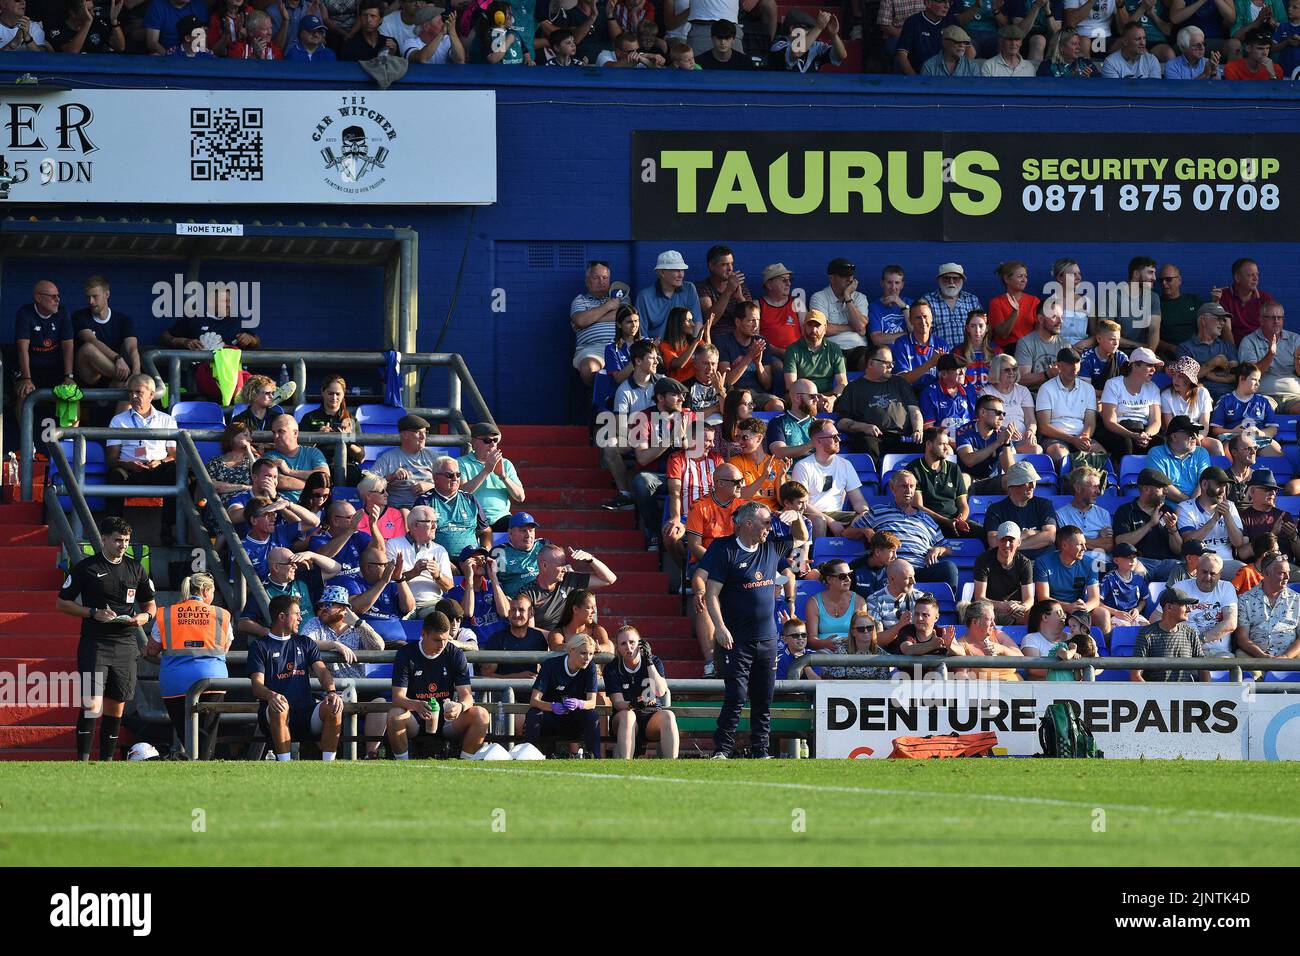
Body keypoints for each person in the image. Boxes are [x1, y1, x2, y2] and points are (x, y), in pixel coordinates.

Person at [698, 502, 795, 759]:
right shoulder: (724, 549)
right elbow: (712, 592)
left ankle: (760, 751)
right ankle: (722, 750)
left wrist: (795, 517)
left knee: (764, 698)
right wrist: (719, 627)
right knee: (737, 696)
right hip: (736, 639)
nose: (770, 528)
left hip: (767, 639)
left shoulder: (771, 546)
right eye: (765, 523)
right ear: (748, 524)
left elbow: (803, 539)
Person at [55, 517, 156, 762]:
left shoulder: (136, 568)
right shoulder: (86, 567)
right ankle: (83, 760)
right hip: (96, 642)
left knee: (116, 705)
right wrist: (93, 612)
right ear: (104, 540)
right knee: (92, 703)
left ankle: (107, 763)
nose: (123, 545)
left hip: (125, 642)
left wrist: (143, 618)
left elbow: (150, 604)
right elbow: (62, 603)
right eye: (118, 540)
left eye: (127, 541)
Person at [141, 572, 231, 759]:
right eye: (213, 592)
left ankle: (195, 763)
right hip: (213, 680)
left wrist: (146, 652)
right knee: (207, 733)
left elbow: (152, 649)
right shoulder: (221, 615)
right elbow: (224, 648)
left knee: (187, 734)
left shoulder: (166, 614)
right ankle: (203, 765)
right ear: (206, 591)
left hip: (175, 682)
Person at [247, 595, 345, 759]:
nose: (301, 618)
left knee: (333, 705)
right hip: (274, 714)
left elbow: (321, 671)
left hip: (306, 713)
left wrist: (332, 692)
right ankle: (285, 765)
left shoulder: (305, 642)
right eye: (297, 614)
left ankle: (329, 765)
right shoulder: (260, 646)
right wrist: (272, 696)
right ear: (282, 617)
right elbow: (257, 686)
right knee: (280, 706)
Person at [387, 610, 490, 760]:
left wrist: (459, 707)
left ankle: (465, 763)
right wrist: (416, 705)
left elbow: (467, 696)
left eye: (446, 639)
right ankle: (403, 764)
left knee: (481, 714)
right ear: (423, 634)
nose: (442, 645)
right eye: (437, 640)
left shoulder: (455, 653)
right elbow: (397, 698)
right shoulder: (406, 654)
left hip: (447, 718)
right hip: (415, 717)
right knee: (395, 715)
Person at [852, 469, 960, 593]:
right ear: (892, 488)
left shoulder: (927, 519)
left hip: (919, 570)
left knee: (948, 568)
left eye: (911, 486)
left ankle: (945, 609)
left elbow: (947, 548)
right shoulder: (878, 512)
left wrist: (938, 549)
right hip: (891, 570)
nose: (908, 491)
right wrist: (866, 530)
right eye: (904, 486)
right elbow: (848, 532)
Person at [104, 374, 179, 518]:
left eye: (138, 392)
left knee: (175, 474)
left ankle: (169, 530)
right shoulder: (118, 420)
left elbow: (174, 454)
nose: (133, 396)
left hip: (158, 469)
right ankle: (114, 530)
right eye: (130, 392)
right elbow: (111, 459)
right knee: (115, 476)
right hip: (130, 471)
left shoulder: (167, 420)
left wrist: (161, 462)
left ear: (151, 395)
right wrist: (127, 464)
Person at [834, 344, 923, 461]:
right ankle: (874, 478)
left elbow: (914, 411)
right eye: (886, 363)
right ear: (871, 363)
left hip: (903, 437)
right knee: (866, 443)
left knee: (930, 441)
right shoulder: (853, 388)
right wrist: (864, 427)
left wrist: (918, 430)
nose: (891, 366)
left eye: (892, 363)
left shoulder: (900, 383)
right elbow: (842, 422)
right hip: (874, 438)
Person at [604, 625, 678, 759]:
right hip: (624, 717)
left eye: (632, 642)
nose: (628, 647)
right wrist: (633, 704)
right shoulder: (612, 668)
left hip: (650, 717)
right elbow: (618, 703)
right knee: (628, 716)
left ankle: (671, 765)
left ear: (640, 643)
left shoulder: (654, 661)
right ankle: (626, 765)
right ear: (618, 648)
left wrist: (649, 661)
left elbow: (660, 691)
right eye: (623, 644)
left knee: (668, 715)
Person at [524, 632, 601, 757]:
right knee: (534, 713)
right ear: (570, 651)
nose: (587, 658)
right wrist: (552, 706)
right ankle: (526, 754)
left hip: (574, 721)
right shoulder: (551, 665)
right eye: (583, 653)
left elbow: (592, 703)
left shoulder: (590, 667)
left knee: (592, 715)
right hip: (551, 720)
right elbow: (534, 700)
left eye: (591, 654)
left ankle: (595, 756)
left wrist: (579, 704)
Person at [514, 543, 616, 632]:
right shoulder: (527, 593)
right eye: (561, 565)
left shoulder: (569, 579)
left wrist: (590, 559)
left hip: (576, 640)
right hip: (547, 645)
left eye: (565, 564)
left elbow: (609, 579)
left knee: (608, 643)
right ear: (544, 566)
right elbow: (530, 630)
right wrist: (559, 638)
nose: (564, 569)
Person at [790, 419, 869, 536]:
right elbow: (802, 504)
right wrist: (830, 521)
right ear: (818, 441)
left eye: (838, 436)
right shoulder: (803, 466)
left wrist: (864, 514)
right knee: (819, 521)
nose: (839, 440)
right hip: (812, 514)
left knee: (868, 519)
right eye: (834, 437)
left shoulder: (845, 464)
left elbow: (858, 501)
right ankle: (814, 554)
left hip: (838, 514)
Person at [907, 427, 981, 539]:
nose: (947, 448)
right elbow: (918, 506)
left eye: (947, 444)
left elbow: (963, 504)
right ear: (929, 445)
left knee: (984, 532)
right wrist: (947, 522)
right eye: (942, 444)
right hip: (928, 523)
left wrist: (960, 521)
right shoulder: (914, 469)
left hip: (954, 522)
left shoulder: (954, 468)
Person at [1034, 525, 1109, 635]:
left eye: (1085, 544)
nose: (1085, 548)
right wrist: (1067, 607)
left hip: (1079, 610)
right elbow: (1043, 598)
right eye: (1080, 544)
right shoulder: (1043, 562)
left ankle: (1102, 650)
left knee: (1103, 614)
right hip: (1053, 608)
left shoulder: (1090, 563)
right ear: (1064, 545)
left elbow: (1095, 599)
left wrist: (1084, 608)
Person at [1113, 467, 1184, 582]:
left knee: (1182, 570)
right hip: (1139, 561)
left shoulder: (1168, 510)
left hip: (1166, 563)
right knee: (1134, 571)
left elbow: (1179, 550)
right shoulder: (1126, 511)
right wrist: (1150, 524)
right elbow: (1120, 543)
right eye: (1161, 488)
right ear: (1146, 489)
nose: (1166, 491)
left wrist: (1173, 529)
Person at [1034, 348, 1099, 471]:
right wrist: (1073, 440)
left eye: (1077, 363)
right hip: (1055, 437)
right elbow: (1044, 426)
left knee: (1099, 455)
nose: (1074, 367)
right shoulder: (1046, 389)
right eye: (1069, 364)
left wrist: (1084, 436)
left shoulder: (1088, 389)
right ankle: (1067, 488)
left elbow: (1090, 421)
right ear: (1058, 365)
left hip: (1080, 436)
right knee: (1060, 457)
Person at [13, 279, 75, 407]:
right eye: (52, 296)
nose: (57, 299)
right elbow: (22, 348)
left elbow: (68, 346)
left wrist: (68, 376)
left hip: (55, 368)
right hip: (31, 369)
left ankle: (71, 428)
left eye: (58, 296)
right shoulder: (25, 313)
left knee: (72, 394)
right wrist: (26, 379)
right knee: (24, 392)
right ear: (38, 298)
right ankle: (24, 428)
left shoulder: (63, 313)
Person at [1235, 551, 1300, 670]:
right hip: (1255, 657)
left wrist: (1286, 657)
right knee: (1241, 660)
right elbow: (1242, 638)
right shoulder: (1245, 600)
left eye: (1288, 573)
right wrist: (1263, 657)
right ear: (1266, 573)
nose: (1287, 577)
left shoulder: (1297, 600)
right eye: (1281, 573)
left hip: (1291, 657)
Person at [1176, 465, 1245, 575]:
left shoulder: (1230, 506)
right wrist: (1214, 519)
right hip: (1199, 565)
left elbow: (1238, 542)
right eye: (1218, 485)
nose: (1223, 490)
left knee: (1246, 572)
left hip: (1226, 563)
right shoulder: (1185, 508)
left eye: (1224, 486)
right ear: (1204, 484)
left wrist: (1227, 516)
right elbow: (1189, 541)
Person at [1098, 346, 1165, 460]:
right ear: (1135, 365)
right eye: (1149, 365)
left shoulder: (1153, 388)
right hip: (1119, 430)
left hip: (1142, 431)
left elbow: (1156, 421)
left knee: (1160, 443)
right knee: (1125, 443)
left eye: (1154, 366)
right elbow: (1109, 422)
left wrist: (1146, 435)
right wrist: (1132, 435)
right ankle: (1124, 476)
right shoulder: (1113, 384)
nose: (1153, 370)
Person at [387, 504, 455, 616]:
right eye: (430, 522)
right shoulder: (394, 545)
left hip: (433, 604)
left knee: (446, 614)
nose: (435, 526)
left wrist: (438, 576)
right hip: (402, 603)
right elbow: (389, 580)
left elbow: (450, 588)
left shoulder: (439, 550)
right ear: (414, 525)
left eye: (435, 522)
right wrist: (413, 573)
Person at [72, 276, 137, 390]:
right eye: (88, 297)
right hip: (88, 375)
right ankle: (130, 379)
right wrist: (118, 358)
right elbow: (92, 341)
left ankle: (133, 379)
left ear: (106, 294)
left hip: (112, 377)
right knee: (88, 348)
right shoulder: (79, 317)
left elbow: (132, 348)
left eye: (95, 296)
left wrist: (136, 372)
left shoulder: (123, 320)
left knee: (127, 390)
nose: (91, 302)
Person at [716, 302, 782, 412]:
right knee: (742, 408)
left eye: (758, 320)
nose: (756, 325)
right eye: (751, 321)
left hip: (758, 393)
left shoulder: (761, 342)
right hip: (735, 394)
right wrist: (748, 358)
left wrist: (758, 364)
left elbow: (767, 385)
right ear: (738, 322)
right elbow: (726, 382)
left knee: (777, 406)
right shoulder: (724, 342)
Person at [984, 460, 1057, 559]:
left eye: (1034, 481)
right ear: (1013, 485)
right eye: (1027, 482)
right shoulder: (995, 510)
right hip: (1012, 565)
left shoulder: (1044, 505)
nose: (1032, 486)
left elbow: (1050, 537)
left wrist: (1010, 545)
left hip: (1042, 563)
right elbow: (994, 543)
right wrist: (1028, 534)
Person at [806, 558, 868, 676]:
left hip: (852, 652)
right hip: (824, 653)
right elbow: (811, 640)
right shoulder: (814, 602)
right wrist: (825, 643)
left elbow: (863, 635)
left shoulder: (859, 602)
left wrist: (844, 644)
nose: (848, 579)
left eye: (849, 575)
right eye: (842, 576)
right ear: (829, 579)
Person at [808, 257, 871, 372]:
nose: (849, 279)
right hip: (831, 348)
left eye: (851, 275)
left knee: (871, 362)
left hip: (859, 347)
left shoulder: (860, 297)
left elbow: (861, 327)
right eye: (844, 276)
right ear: (832, 278)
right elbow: (822, 330)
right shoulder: (819, 297)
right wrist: (852, 327)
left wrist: (848, 297)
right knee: (840, 362)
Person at [299, 374, 364, 485]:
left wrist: (347, 440)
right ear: (322, 392)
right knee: (319, 478)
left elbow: (361, 458)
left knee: (354, 475)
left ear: (343, 394)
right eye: (330, 393)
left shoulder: (351, 420)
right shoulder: (309, 418)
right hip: (318, 465)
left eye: (338, 394)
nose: (334, 398)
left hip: (347, 467)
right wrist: (318, 437)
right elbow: (300, 451)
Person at [1131, 588, 1207, 682]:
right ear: (1169, 607)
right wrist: (1152, 694)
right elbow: (1135, 675)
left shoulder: (1191, 633)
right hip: (1157, 695)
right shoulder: (1146, 634)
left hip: (1186, 695)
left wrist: (1206, 693)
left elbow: (1203, 667)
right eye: (1184, 605)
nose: (1189, 609)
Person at [1172, 551, 1238, 655]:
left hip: (1219, 653)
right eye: (1204, 572)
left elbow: (1230, 623)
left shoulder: (1226, 588)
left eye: (1212, 574)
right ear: (1197, 569)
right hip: (1186, 651)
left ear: (1220, 574)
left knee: (1231, 668)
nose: (1207, 577)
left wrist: (1200, 640)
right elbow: (1158, 617)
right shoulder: (1180, 588)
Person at [1210, 362, 1281, 456]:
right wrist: (1233, 431)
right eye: (1254, 379)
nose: (1258, 384)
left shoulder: (1263, 401)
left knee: (1276, 451)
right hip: (1233, 439)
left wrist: (1259, 433)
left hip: (1258, 439)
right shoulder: (1225, 400)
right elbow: (1215, 430)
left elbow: (1273, 429)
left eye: (1259, 380)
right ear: (1241, 379)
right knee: (1228, 451)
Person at [374, 414, 441, 512]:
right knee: (404, 512)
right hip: (397, 511)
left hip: (430, 509)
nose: (423, 437)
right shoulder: (388, 458)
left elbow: (453, 482)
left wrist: (431, 486)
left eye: (425, 432)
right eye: (418, 433)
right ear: (405, 435)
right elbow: (368, 485)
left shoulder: (434, 457)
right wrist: (391, 477)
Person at [971, 521, 1034, 625]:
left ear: (1019, 542)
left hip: (1013, 610)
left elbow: (1029, 599)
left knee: (1030, 614)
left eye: (1011, 540)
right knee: (981, 613)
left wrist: (1022, 607)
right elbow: (979, 598)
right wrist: (1002, 606)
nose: (1007, 544)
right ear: (997, 540)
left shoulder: (1024, 563)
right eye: (1003, 540)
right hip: (988, 607)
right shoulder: (983, 560)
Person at [1160, 356, 1223, 457]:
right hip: (1175, 437)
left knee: (1216, 445)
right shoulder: (1166, 395)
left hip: (1198, 436)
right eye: (1174, 375)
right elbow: (1169, 428)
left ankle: (1218, 472)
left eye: (1180, 376)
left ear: (1190, 380)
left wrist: (1199, 437)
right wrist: (1187, 438)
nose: (1175, 380)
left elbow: (1204, 425)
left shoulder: (1203, 393)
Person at [955, 393, 1018, 494]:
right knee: (963, 478)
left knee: (1012, 480)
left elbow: (1010, 470)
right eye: (998, 413)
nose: (1002, 418)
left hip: (992, 481)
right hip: (969, 479)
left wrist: (1006, 443)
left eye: (1003, 414)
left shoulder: (1002, 434)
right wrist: (997, 443)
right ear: (983, 412)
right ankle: (964, 510)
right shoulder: (964, 431)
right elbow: (969, 460)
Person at [1237, 301, 1300, 400]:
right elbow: (1249, 375)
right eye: (1272, 318)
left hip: (1293, 395)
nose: (1276, 321)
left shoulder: (1295, 340)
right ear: (1261, 320)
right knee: (1263, 412)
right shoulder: (1249, 341)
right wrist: (1270, 355)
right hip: (1264, 396)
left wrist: (1297, 360)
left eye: (1279, 318)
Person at [424, 461, 489, 554]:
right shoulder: (425, 501)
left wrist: (485, 550)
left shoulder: (470, 500)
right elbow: (420, 537)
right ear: (436, 478)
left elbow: (485, 531)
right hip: (440, 561)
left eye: (458, 474)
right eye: (449, 475)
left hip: (472, 560)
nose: (455, 478)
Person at [636, 249, 702, 342]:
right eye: (676, 270)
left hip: (685, 350)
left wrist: (694, 347)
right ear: (662, 272)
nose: (681, 275)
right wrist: (652, 351)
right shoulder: (644, 297)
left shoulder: (689, 289)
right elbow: (641, 333)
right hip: (655, 351)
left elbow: (697, 322)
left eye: (682, 270)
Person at [782, 310, 846, 406]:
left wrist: (832, 399)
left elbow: (842, 382)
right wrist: (813, 400)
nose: (814, 329)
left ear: (825, 328)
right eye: (810, 325)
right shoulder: (792, 349)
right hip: (801, 397)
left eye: (817, 326)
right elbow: (791, 385)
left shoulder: (834, 349)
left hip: (827, 396)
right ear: (803, 327)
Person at [981, 353, 1040, 453]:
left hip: (1022, 440)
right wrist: (1005, 432)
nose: (1012, 373)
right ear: (997, 372)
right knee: (1008, 451)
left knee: (1036, 449)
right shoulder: (986, 393)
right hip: (997, 440)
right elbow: (984, 423)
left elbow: (1030, 419)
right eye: (1007, 370)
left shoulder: (1023, 391)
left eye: (1014, 369)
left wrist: (1030, 431)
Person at [1177, 302, 1237, 401]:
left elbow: (1236, 376)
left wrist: (1205, 373)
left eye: (1223, 320)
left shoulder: (1227, 346)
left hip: (1230, 398)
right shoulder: (1185, 348)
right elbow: (1185, 379)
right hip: (1201, 400)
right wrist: (1213, 363)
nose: (1222, 323)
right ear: (1204, 320)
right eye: (1218, 318)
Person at [1147, 415, 1212, 505]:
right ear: (1174, 436)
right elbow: (1162, 486)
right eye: (1190, 433)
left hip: (1197, 508)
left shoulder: (1201, 452)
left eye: (1196, 432)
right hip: (1167, 511)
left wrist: (1193, 507)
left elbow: (1204, 482)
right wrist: (1189, 504)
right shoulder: (1156, 453)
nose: (1195, 437)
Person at [952, 600, 1024, 680]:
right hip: (987, 690)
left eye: (994, 619)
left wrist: (1002, 649)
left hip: (1017, 687)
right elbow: (962, 678)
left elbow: (1022, 660)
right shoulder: (962, 646)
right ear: (975, 622)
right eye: (990, 620)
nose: (994, 624)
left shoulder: (998, 635)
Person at [1055, 465, 1114, 562]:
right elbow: (1064, 546)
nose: (1098, 491)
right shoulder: (1061, 515)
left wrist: (1075, 541)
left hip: (1101, 564)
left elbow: (1108, 545)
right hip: (1074, 564)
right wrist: (1098, 540)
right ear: (1078, 488)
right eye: (1094, 487)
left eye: (1098, 487)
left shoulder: (1103, 514)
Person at [265, 414, 328, 504]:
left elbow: (324, 475)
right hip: (283, 508)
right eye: (274, 432)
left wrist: (289, 472)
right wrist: (314, 484)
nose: (275, 436)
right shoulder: (270, 457)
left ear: (295, 433)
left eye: (281, 432)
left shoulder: (313, 452)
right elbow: (281, 481)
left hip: (313, 506)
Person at [865, 558, 920, 652]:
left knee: (919, 665)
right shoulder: (874, 600)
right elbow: (877, 640)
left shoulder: (919, 598)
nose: (913, 582)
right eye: (907, 578)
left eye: (913, 576)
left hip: (915, 656)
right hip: (887, 658)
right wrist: (900, 625)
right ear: (892, 579)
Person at [1216, 257, 1274, 344]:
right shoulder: (1224, 296)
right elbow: (1226, 329)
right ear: (1237, 278)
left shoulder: (1265, 299)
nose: (1255, 278)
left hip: (1259, 347)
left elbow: (1271, 328)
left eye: (1257, 274)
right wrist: (1233, 352)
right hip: (1233, 347)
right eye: (1250, 275)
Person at [893, 301, 950, 387]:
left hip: (934, 395)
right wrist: (930, 364)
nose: (923, 321)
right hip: (909, 394)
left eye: (925, 317)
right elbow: (902, 380)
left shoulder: (941, 344)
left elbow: (948, 380)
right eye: (918, 318)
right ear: (910, 321)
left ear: (932, 319)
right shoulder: (901, 344)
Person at [1020, 599, 1079, 680]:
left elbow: (1097, 665)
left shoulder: (1074, 638)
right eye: (1059, 613)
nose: (1064, 616)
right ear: (1044, 617)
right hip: (1044, 689)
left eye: (1064, 613)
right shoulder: (1031, 639)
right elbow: (1034, 669)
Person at [988, 261, 1040, 351]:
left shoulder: (1034, 301)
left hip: (1029, 349)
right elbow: (1002, 334)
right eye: (1020, 276)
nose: (1024, 280)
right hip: (1006, 351)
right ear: (1007, 279)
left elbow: (1039, 331)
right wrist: (1014, 314)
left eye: (1025, 276)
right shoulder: (996, 302)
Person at [1014, 298, 1064, 391]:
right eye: (1054, 317)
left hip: (1059, 397)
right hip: (1032, 397)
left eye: (1061, 317)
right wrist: (1047, 374)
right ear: (1041, 319)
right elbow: (1021, 379)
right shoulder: (1026, 343)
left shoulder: (1065, 345)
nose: (1060, 321)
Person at [1156, 261, 1205, 356]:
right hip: (1169, 353)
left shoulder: (1193, 300)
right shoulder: (1156, 303)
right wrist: (1172, 348)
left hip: (1197, 351)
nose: (1164, 284)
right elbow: (1151, 337)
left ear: (1179, 280)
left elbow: (1208, 325)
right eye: (1161, 280)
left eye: (1169, 279)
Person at [547, 587, 612, 655]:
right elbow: (556, 647)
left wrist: (599, 648)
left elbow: (607, 646)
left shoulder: (597, 630)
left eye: (594, 607)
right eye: (589, 608)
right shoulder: (558, 633)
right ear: (575, 609)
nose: (594, 612)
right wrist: (586, 646)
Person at [1100, 542, 1149, 626]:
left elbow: (1144, 599)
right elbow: (1098, 602)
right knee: (1124, 627)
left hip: (1133, 616)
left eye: (1134, 557)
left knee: (1147, 626)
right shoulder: (1109, 579)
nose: (1133, 560)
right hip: (1115, 616)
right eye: (1128, 557)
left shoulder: (1139, 578)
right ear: (1116, 560)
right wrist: (1116, 612)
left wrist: (1137, 610)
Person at [866, 264, 912, 348]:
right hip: (885, 354)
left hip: (908, 353)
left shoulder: (909, 303)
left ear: (902, 285)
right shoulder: (874, 307)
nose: (893, 287)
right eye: (889, 282)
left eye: (897, 283)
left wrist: (903, 307)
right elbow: (876, 339)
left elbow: (916, 331)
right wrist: (909, 335)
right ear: (882, 283)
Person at [1079, 320, 1127, 398]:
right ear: (1099, 339)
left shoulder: (1122, 358)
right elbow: (1085, 390)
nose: (1116, 343)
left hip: (1116, 401)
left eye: (1118, 339)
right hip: (1091, 400)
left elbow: (1126, 388)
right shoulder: (1087, 358)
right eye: (1112, 339)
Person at [951, 309, 997, 392]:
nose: (977, 330)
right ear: (967, 328)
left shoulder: (996, 351)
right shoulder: (957, 352)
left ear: (987, 328)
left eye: (981, 326)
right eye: (973, 326)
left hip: (991, 399)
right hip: (966, 399)